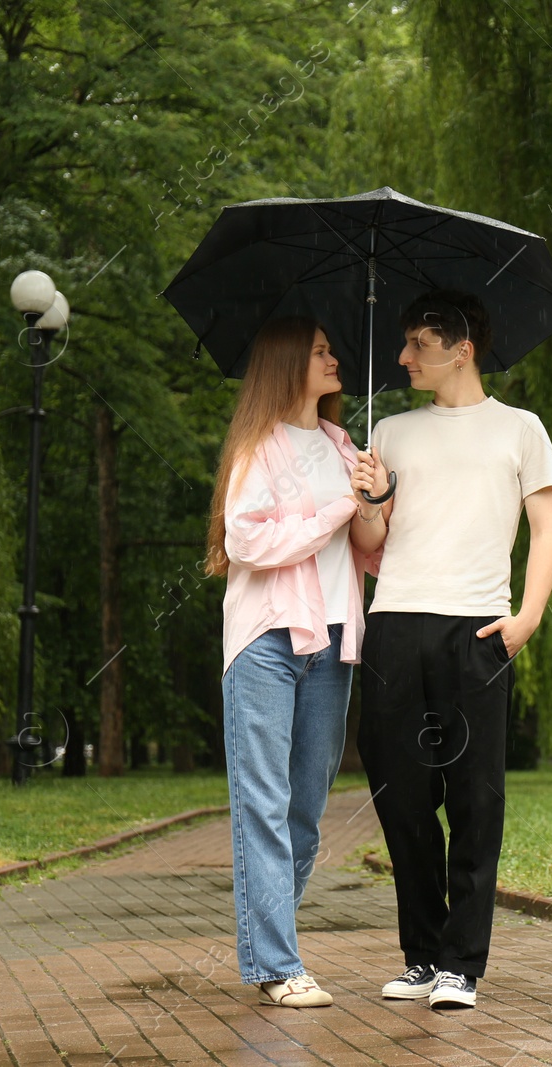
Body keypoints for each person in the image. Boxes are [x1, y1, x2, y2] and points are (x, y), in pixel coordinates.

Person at [350, 288, 552, 1010]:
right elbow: (371, 544)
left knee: (475, 798)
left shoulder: (521, 429)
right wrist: (372, 500)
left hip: (475, 629)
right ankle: (422, 953)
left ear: (461, 346)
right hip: (395, 623)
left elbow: (547, 526)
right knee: (401, 795)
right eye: (404, 342)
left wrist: (528, 615)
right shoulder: (393, 433)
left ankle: (461, 965)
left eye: (418, 343)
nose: (404, 355)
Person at [204, 315, 386, 1008]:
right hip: (267, 641)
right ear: (287, 363)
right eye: (319, 351)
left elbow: (367, 547)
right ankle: (278, 961)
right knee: (264, 802)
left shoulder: (344, 448)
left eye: (331, 348)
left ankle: (267, 929)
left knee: (306, 806)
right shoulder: (259, 448)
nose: (334, 357)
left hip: (336, 639)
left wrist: (371, 499)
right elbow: (247, 540)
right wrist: (340, 507)